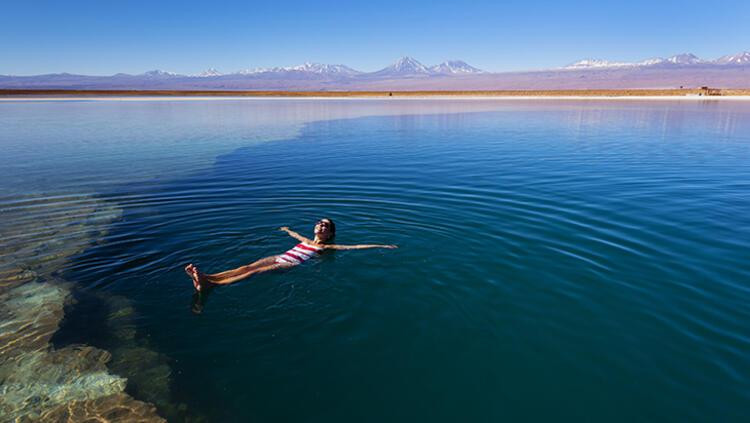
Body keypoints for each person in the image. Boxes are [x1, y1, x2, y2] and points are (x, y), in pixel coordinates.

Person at [185, 218, 397, 291]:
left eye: (326, 226)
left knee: (252, 273)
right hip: (279, 255)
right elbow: (295, 234)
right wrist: (286, 230)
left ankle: (212, 284)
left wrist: (381, 245)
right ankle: (209, 277)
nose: (321, 226)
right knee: (246, 267)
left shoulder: (326, 248)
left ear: (331, 233)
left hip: (290, 264)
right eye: (319, 223)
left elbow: (354, 247)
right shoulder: (305, 240)